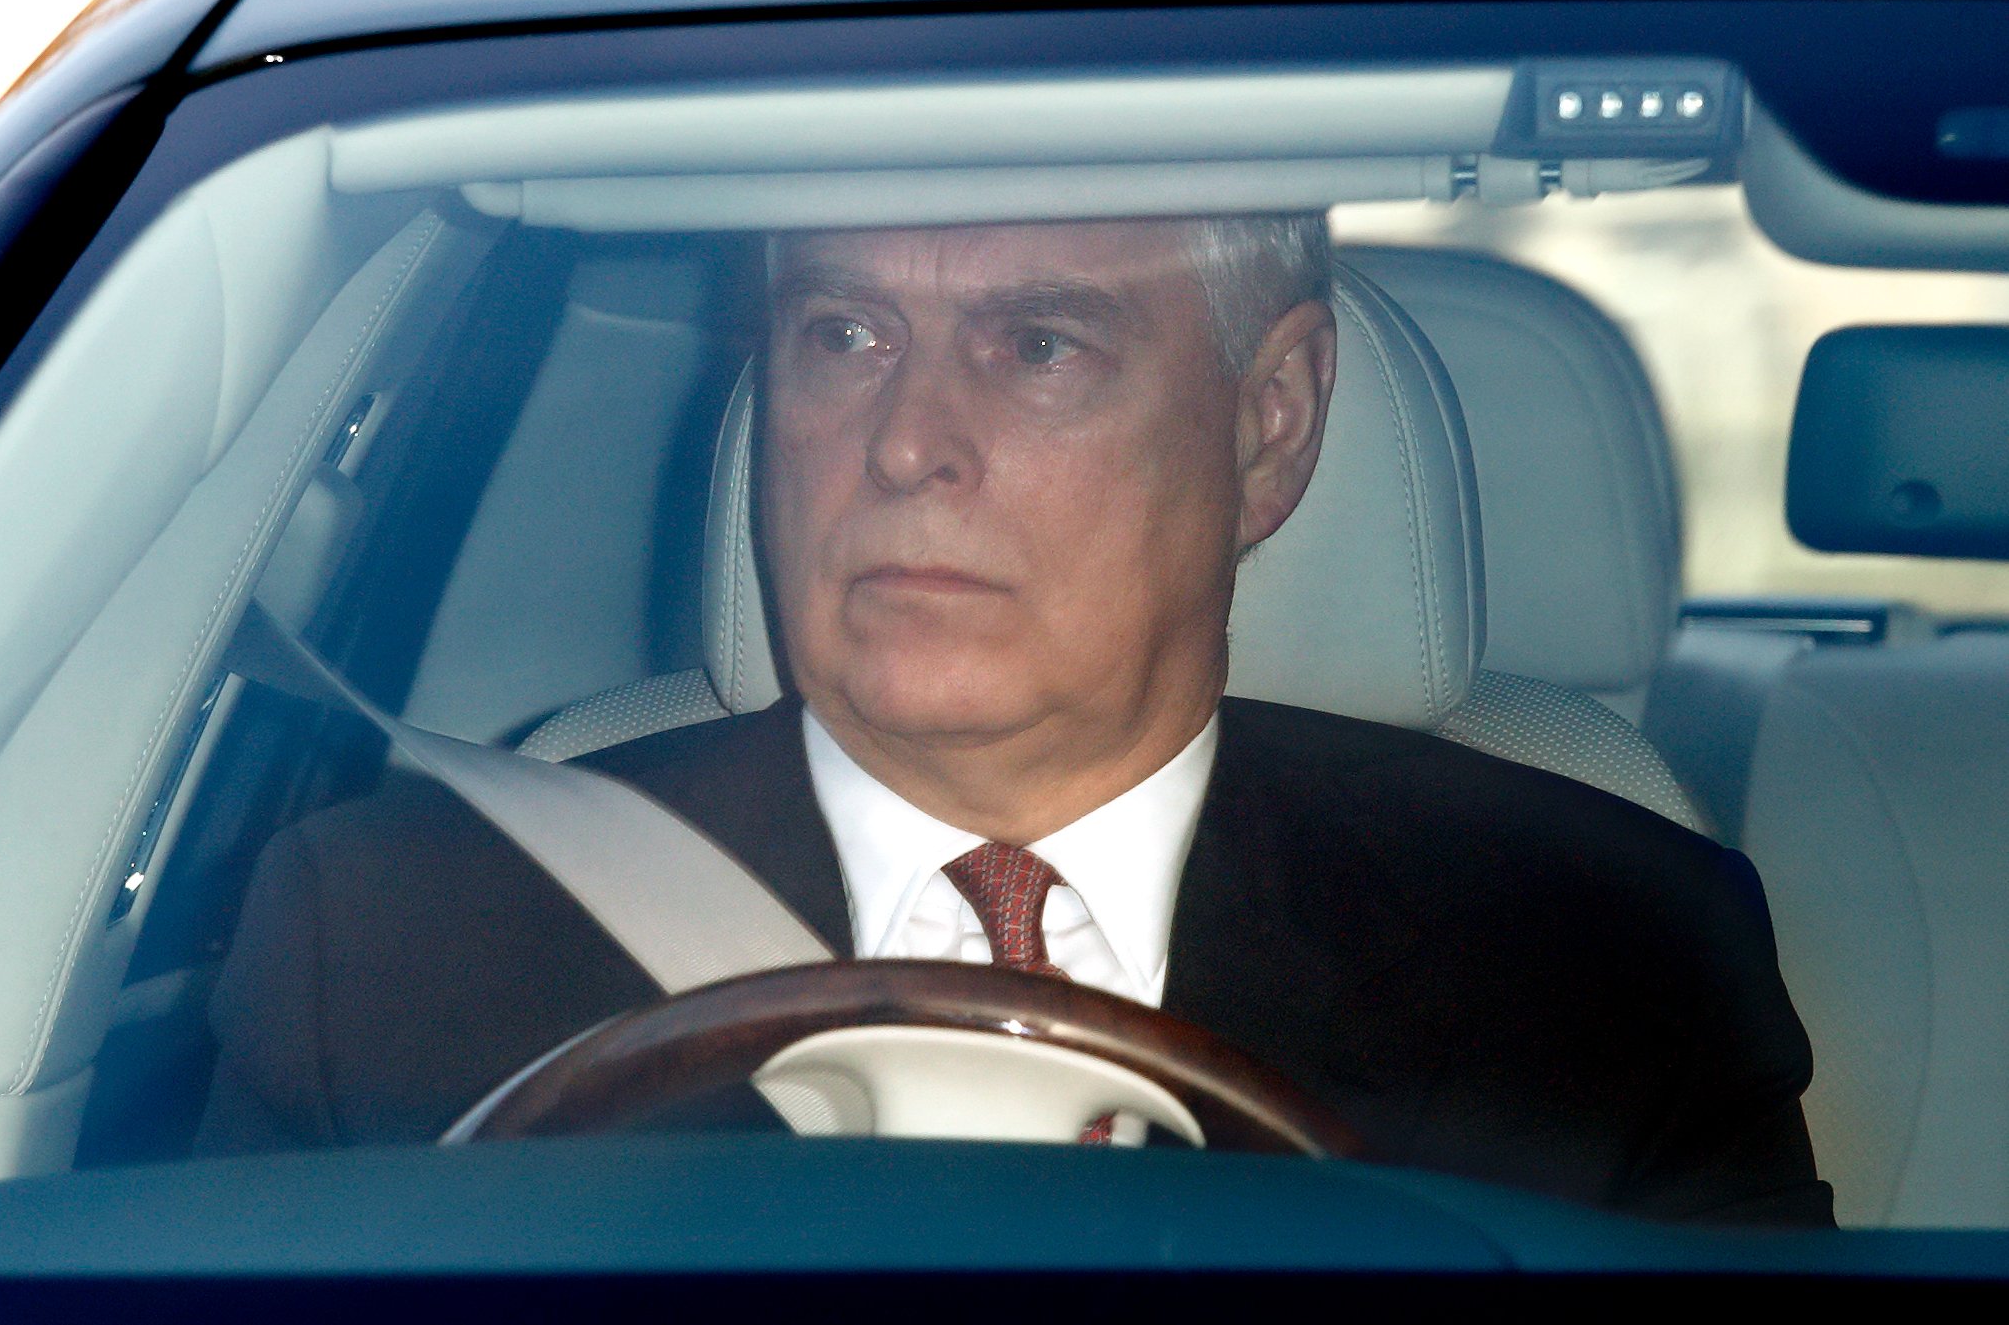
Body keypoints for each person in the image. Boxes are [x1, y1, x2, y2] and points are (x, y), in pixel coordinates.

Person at [200, 216, 1834, 1227]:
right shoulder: (392, 943)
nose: (908, 444)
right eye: (843, 335)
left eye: (1038, 345)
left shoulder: (1607, 958)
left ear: (1271, 428)